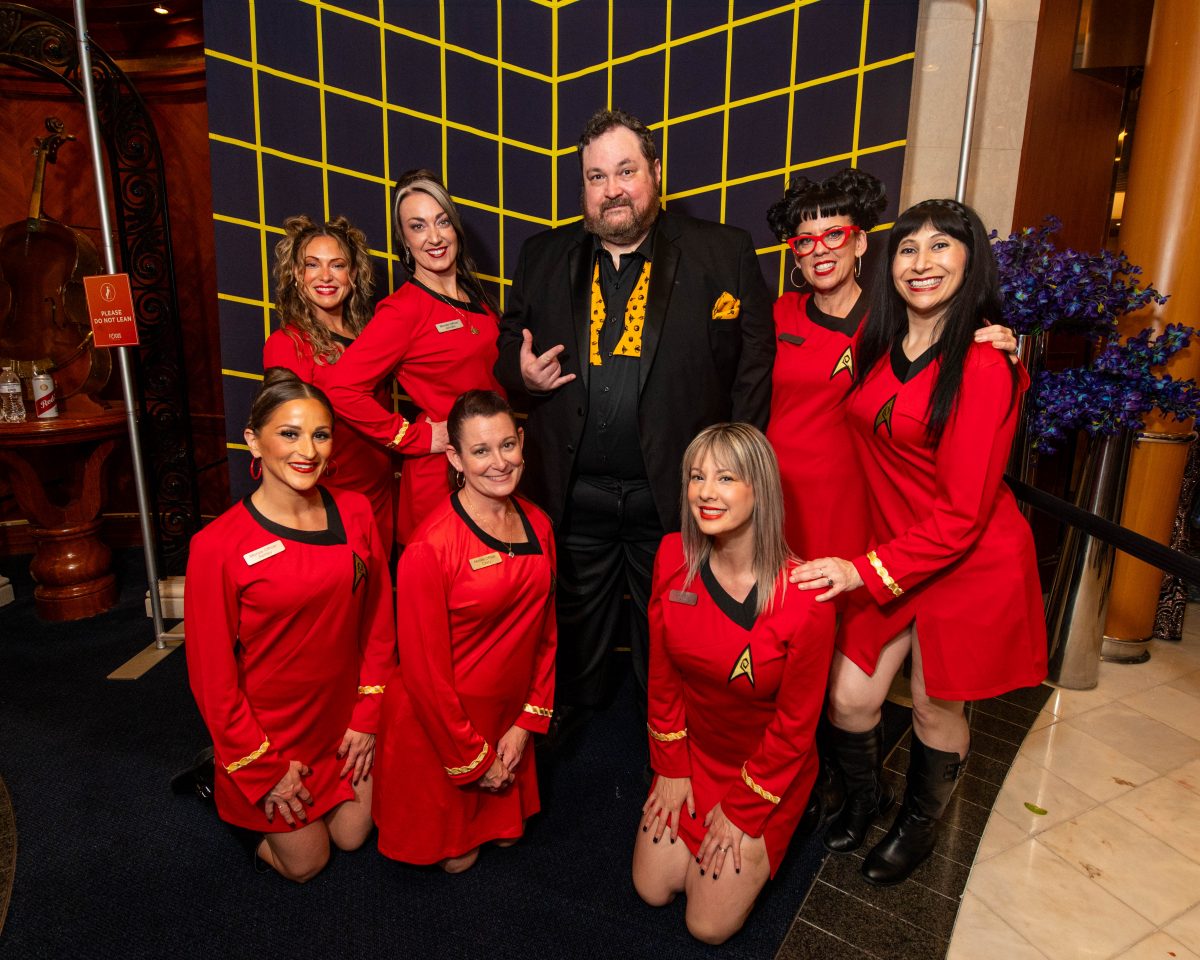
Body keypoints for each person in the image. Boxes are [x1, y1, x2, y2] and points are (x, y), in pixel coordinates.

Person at [791, 199, 1047, 886]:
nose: (922, 262)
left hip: (964, 560)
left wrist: (860, 570)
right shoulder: (879, 339)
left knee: (936, 705)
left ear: (970, 262)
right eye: (908, 248)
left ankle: (919, 823)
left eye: (941, 247)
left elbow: (962, 516)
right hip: (893, 550)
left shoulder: (983, 364)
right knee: (849, 697)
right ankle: (866, 797)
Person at [494, 108, 775, 730]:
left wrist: (735, 472)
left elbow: (754, 367)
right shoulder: (542, 254)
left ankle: (669, 742)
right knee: (573, 641)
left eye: (626, 171)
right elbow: (508, 344)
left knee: (675, 637)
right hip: (574, 497)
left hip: (672, 499)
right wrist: (521, 374)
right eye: (596, 177)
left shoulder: (722, 251)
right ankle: (568, 742)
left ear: (656, 172)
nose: (612, 189)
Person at [184, 369, 396, 882]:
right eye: (289, 433)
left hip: (342, 722)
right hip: (269, 734)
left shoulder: (355, 510)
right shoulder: (216, 546)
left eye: (320, 434)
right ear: (254, 441)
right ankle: (220, 779)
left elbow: (378, 619)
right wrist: (261, 768)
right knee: (306, 864)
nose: (308, 450)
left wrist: (367, 717)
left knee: (353, 835)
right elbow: (212, 678)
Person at [633, 423, 835, 944]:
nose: (705, 491)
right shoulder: (671, 557)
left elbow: (796, 727)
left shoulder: (806, 598)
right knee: (652, 889)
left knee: (707, 926)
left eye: (725, 478)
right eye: (696, 477)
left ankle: (794, 814)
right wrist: (671, 766)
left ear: (759, 489)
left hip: (763, 768)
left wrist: (745, 807)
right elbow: (662, 677)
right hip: (695, 752)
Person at [372, 390, 556, 873]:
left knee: (508, 842)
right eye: (480, 451)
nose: (499, 462)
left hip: (505, 719)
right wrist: (474, 757)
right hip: (441, 728)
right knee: (458, 862)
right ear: (454, 458)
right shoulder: (429, 548)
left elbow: (546, 634)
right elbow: (424, 675)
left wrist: (526, 723)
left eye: (507, 445)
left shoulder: (539, 524)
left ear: (521, 442)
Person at [324, 169, 504, 546]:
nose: (434, 237)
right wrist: (414, 437)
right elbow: (340, 389)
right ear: (404, 240)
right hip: (441, 476)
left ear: (455, 227)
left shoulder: (477, 298)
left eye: (442, 221)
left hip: (491, 465)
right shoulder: (402, 310)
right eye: (418, 226)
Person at [263, 215, 399, 545]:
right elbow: (287, 435)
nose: (325, 276)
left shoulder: (371, 336)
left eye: (337, 265)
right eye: (312, 265)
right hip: (325, 495)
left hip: (380, 491)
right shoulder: (287, 344)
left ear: (353, 274)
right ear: (297, 274)